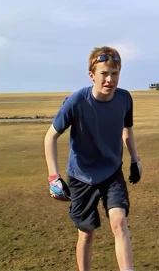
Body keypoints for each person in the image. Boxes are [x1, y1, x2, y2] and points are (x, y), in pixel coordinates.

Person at [43, 46, 142, 271]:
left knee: (119, 222)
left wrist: (135, 159)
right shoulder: (77, 101)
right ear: (92, 75)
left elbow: (126, 130)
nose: (110, 80)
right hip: (82, 176)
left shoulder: (125, 98)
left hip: (111, 172)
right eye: (104, 74)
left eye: (114, 74)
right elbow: (50, 137)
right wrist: (53, 178)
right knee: (86, 233)